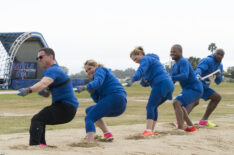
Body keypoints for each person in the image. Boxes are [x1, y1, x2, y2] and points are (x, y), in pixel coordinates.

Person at [18, 48, 79, 146]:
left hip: (65, 107)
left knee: (37, 119)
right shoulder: (55, 70)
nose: (38, 59)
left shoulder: (53, 70)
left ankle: (35, 146)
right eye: (37, 58)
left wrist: (28, 90)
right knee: (41, 119)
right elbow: (47, 92)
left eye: (41, 57)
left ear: (51, 57)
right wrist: (45, 92)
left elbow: (44, 83)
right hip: (66, 108)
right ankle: (41, 145)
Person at [126, 46, 174, 136]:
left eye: (136, 59)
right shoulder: (150, 62)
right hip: (168, 84)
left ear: (140, 54)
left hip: (161, 83)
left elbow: (140, 70)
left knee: (150, 106)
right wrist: (143, 83)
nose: (136, 62)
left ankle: (148, 130)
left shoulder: (145, 59)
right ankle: (151, 130)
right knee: (154, 106)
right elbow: (147, 80)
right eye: (134, 61)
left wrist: (132, 80)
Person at [75, 60, 127, 143]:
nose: (88, 72)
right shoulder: (96, 81)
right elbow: (98, 101)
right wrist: (92, 92)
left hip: (114, 97)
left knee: (89, 118)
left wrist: (85, 87)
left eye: (90, 68)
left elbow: (98, 82)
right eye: (86, 71)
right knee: (89, 110)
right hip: (120, 105)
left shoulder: (100, 70)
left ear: (96, 66)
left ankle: (89, 141)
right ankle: (107, 134)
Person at [185, 49, 225, 127]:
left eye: (221, 55)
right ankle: (181, 120)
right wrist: (198, 75)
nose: (219, 56)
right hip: (197, 84)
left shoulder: (220, 66)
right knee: (195, 101)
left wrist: (218, 75)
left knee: (217, 97)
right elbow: (199, 69)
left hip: (205, 87)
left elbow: (218, 82)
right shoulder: (208, 60)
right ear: (214, 53)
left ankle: (204, 121)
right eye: (218, 54)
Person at [170, 44, 203, 132]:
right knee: (180, 105)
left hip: (195, 88)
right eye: (171, 52)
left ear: (180, 52)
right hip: (188, 89)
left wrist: (172, 78)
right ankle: (191, 127)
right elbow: (172, 80)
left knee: (176, 102)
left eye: (174, 52)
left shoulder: (183, 61)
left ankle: (180, 129)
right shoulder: (175, 65)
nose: (172, 53)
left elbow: (184, 76)